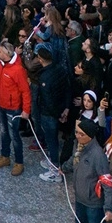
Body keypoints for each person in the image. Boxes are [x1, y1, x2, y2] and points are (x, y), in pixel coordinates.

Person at [0, 40, 32, 177]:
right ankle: (5, 156)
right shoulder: (0, 65)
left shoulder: (18, 70)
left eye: (0, 51)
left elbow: (25, 91)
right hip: (0, 104)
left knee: (14, 135)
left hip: (13, 108)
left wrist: (26, 110)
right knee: (3, 132)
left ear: (6, 54)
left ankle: (19, 162)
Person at [35, 42, 70, 181]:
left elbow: (47, 100)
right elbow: (67, 89)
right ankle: (52, 160)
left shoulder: (44, 77)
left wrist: (57, 115)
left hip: (49, 113)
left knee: (51, 140)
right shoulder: (60, 69)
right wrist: (66, 109)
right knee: (53, 139)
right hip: (60, 109)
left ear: (41, 59)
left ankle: (54, 170)